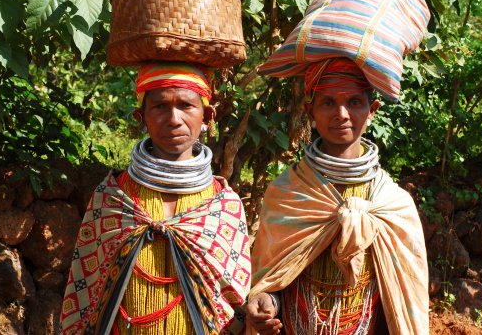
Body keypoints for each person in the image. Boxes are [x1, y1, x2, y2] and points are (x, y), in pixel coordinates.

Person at [60, 62, 251, 335]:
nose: (173, 119)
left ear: (208, 115)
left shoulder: (224, 205)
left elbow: (236, 305)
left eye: (186, 105)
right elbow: (87, 294)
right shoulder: (113, 198)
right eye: (160, 107)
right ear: (141, 117)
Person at [245, 57, 428, 334]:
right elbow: (272, 279)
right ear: (310, 112)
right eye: (328, 102)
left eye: (354, 102)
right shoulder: (286, 194)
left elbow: (401, 296)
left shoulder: (392, 204)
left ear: (372, 110)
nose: (341, 114)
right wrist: (267, 300)